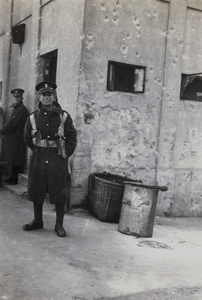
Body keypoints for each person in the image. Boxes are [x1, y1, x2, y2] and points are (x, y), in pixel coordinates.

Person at [23, 81, 77, 237]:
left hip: (57, 158)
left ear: (54, 96)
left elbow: (72, 136)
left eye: (49, 94)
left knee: (59, 190)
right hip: (39, 158)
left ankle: (59, 225)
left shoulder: (64, 116)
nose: (46, 97)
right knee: (37, 189)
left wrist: (66, 153)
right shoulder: (32, 117)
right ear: (39, 97)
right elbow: (26, 137)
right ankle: (37, 220)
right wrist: (37, 149)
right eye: (43, 94)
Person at [0, 88, 28, 185]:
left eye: (18, 97)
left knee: (16, 158)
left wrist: (2, 131)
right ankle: (13, 177)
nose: (16, 98)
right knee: (13, 158)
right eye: (14, 97)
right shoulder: (17, 108)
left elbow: (12, 123)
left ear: (22, 97)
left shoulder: (22, 110)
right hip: (14, 137)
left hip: (18, 137)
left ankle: (14, 179)